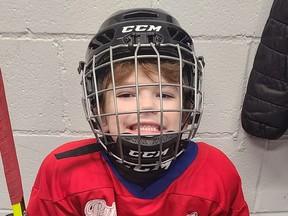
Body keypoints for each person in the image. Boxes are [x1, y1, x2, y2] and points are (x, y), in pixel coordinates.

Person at [27, 8, 249, 215]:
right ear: (99, 111)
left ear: (186, 109)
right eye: (126, 95)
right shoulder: (63, 173)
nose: (146, 106)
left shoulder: (217, 173)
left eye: (164, 95)